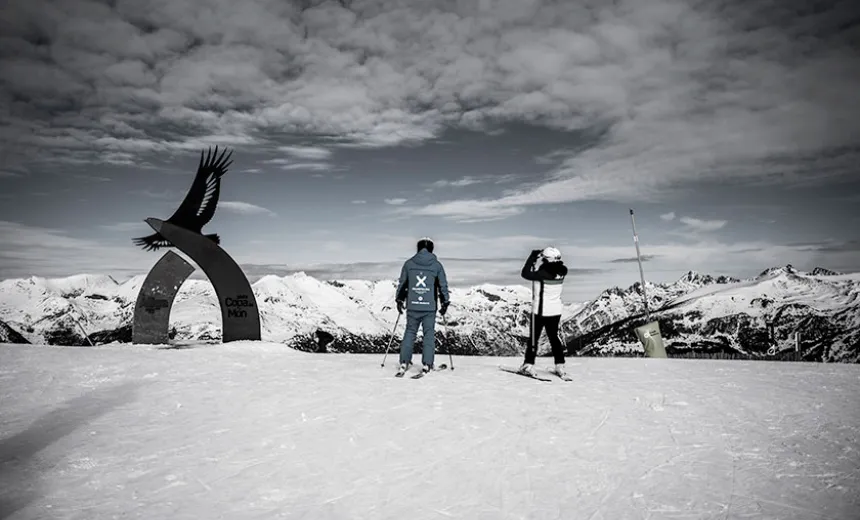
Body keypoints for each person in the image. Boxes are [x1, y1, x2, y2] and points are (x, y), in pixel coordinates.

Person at [394, 237, 450, 376]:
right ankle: (427, 363)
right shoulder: (437, 266)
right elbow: (442, 286)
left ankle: (404, 362)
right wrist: (445, 302)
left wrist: (399, 300)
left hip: (413, 305)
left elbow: (403, 283)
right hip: (429, 307)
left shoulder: (408, 264)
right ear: (431, 249)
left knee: (410, 332)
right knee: (428, 335)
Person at [518, 246, 569, 378]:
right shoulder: (561, 272)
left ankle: (528, 365)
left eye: (544, 259)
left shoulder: (542, 274)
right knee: (554, 338)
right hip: (555, 311)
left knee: (534, 339)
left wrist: (532, 257)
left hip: (540, 311)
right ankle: (560, 365)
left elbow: (525, 273)